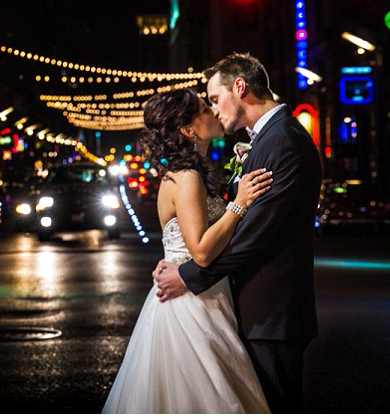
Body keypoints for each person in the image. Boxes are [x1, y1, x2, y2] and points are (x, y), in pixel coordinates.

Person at [153, 53, 322, 413]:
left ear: (240, 88)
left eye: (214, 99)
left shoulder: (283, 142)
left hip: (272, 313)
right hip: (246, 310)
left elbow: (253, 235)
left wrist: (187, 274)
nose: (214, 110)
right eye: (207, 105)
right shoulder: (266, 140)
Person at [103, 88, 273, 413]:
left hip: (198, 294)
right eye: (203, 108)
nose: (213, 110)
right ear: (188, 130)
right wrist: (238, 204)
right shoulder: (186, 177)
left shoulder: (188, 174)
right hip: (194, 305)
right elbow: (202, 253)